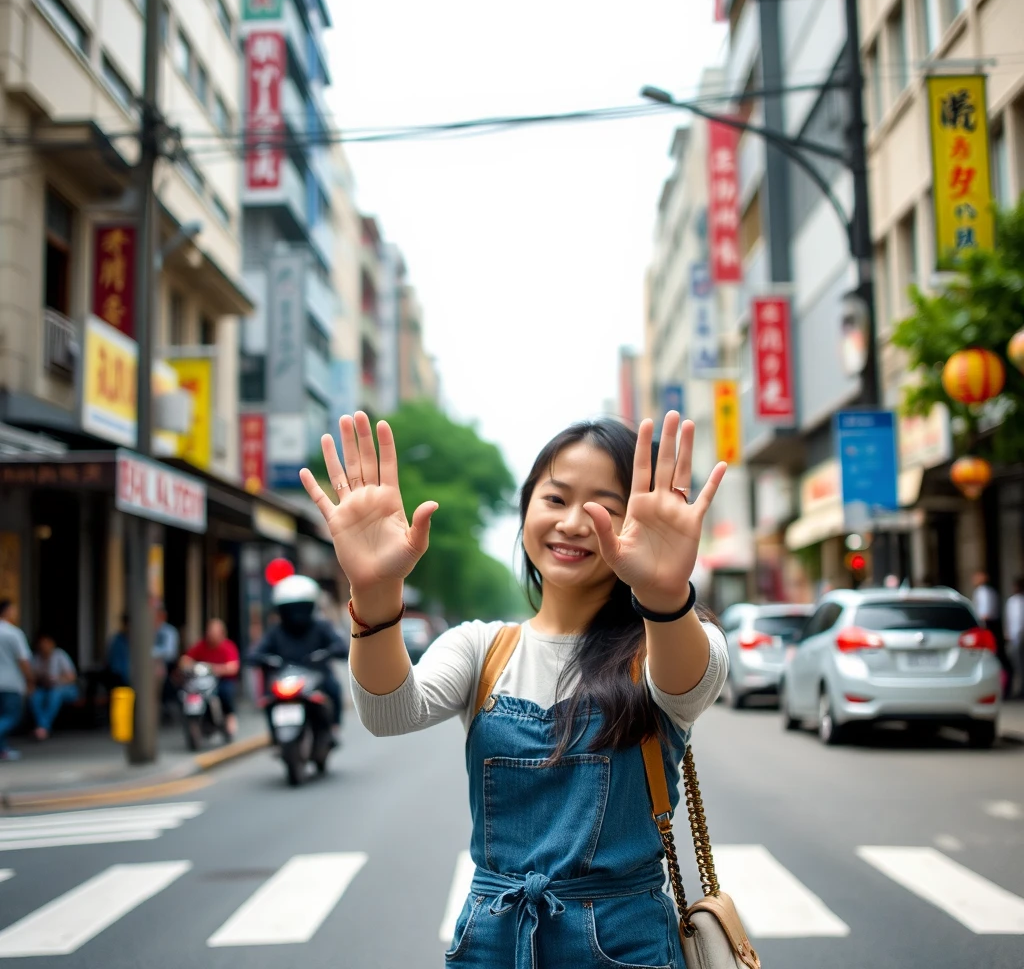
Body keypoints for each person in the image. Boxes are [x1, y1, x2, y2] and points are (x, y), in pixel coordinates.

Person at [300, 410, 729, 969]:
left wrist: (667, 593)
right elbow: (389, 712)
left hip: (628, 949)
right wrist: (375, 591)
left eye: (604, 505)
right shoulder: (480, 647)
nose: (574, 522)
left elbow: (685, 676)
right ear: (525, 509)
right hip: (492, 945)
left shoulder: (668, 643)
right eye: (555, 498)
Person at [248, 575, 349, 735]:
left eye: (300, 608)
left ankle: (333, 726)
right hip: (285, 676)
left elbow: (340, 645)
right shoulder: (276, 631)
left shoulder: (321, 627)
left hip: (317, 675)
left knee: (333, 689)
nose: (295, 614)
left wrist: (328, 653)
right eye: (290, 609)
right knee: (269, 699)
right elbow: (257, 651)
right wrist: (261, 658)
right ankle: (274, 734)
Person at [179, 619, 240, 739]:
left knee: (225, 693)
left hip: (221, 680)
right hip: (203, 680)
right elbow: (186, 658)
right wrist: (187, 665)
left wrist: (215, 669)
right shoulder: (201, 646)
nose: (211, 637)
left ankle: (228, 717)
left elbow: (233, 667)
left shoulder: (228, 647)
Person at [0, 599, 32, 762]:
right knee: (12, 716)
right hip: (10, 682)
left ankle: (3, 749)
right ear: (7, 611)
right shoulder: (13, 633)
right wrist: (30, 680)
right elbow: (23, 660)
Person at [28, 634, 78, 740]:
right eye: (41, 644)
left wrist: (56, 680)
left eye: (46, 643)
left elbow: (71, 677)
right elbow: (33, 677)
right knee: (35, 696)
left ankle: (42, 727)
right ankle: (43, 727)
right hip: (45, 688)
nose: (43, 646)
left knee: (55, 694)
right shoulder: (37, 658)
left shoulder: (60, 655)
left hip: (64, 689)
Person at [973, 571, 1012, 698]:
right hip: (989, 628)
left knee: (995, 659)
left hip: (988, 629)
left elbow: (985, 614)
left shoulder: (984, 592)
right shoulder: (986, 592)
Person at [152, 604, 180, 716]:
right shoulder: (147, 630)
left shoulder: (169, 632)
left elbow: (169, 653)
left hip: (165, 666)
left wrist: (152, 654)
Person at [1005, 576, 1024, 699]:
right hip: (1013, 637)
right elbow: (1009, 619)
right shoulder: (1011, 601)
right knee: (1015, 663)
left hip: (1022, 636)